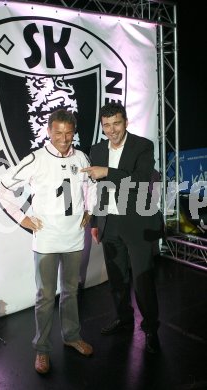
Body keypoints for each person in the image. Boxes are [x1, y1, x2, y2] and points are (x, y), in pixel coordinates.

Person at [0, 109, 97, 374]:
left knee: (71, 291)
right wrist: (22, 218)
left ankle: (71, 336)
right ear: (48, 132)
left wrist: (89, 208)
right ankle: (41, 350)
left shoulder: (81, 157)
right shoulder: (36, 159)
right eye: (58, 133)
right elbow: (3, 184)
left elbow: (90, 185)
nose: (64, 139)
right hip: (47, 240)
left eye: (68, 133)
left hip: (74, 238)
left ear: (73, 132)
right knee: (45, 296)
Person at [81, 102, 163, 354]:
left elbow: (140, 179)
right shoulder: (96, 149)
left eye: (116, 123)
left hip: (137, 222)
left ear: (125, 122)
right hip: (110, 222)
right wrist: (96, 222)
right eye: (107, 125)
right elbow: (98, 190)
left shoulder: (143, 145)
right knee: (117, 279)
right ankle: (124, 318)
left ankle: (150, 328)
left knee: (142, 280)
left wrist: (106, 171)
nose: (112, 129)